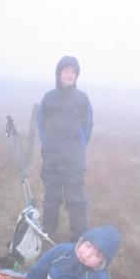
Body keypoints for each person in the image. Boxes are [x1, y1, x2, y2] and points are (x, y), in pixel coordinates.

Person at [37, 56, 93, 242]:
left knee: (76, 199)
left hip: (73, 159)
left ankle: (79, 236)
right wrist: (47, 143)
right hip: (51, 158)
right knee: (51, 198)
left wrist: (78, 146)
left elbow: (88, 126)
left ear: (77, 76)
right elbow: (41, 124)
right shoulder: (49, 98)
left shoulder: (82, 99)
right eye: (66, 71)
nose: (69, 75)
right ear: (59, 73)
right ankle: (48, 232)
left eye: (73, 72)